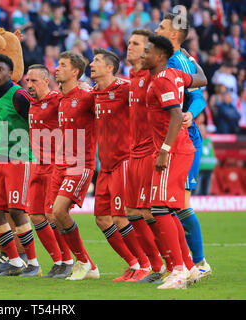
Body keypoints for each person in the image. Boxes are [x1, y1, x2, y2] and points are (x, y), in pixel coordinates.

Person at [141, 34, 207, 289]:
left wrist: (164, 150)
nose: (144, 54)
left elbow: (177, 116)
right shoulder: (175, 76)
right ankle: (189, 268)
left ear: (159, 56)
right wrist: (191, 58)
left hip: (175, 150)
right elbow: (201, 79)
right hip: (177, 149)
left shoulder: (164, 80)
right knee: (169, 209)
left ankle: (178, 271)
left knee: (160, 209)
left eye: (147, 51)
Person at [156, 13, 212, 279]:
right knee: (161, 206)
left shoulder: (179, 61)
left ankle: (198, 263)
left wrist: (191, 114)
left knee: (178, 204)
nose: (156, 30)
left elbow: (198, 95)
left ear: (174, 35)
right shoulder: (158, 60)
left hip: (184, 139)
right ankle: (177, 264)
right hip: (162, 139)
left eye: (161, 27)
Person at [90, 47, 152, 282]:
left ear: (109, 67)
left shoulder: (126, 88)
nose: (91, 64)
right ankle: (133, 263)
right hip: (104, 165)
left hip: (124, 161)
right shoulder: (93, 93)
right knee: (101, 219)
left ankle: (146, 264)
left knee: (121, 217)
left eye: (96, 61)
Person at [0, 53, 40, 277]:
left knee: (16, 211)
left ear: (11, 73)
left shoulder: (20, 95)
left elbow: (36, 122)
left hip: (20, 159)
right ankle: (15, 262)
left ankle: (33, 263)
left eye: (0, 69)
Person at [51, 51, 98, 280]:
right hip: (60, 163)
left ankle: (81, 261)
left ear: (75, 72)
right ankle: (89, 265)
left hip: (80, 163)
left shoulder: (87, 96)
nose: (56, 68)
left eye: (62, 65)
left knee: (59, 211)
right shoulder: (58, 97)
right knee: (54, 216)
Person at [125, 29, 167, 283]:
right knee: (132, 212)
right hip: (134, 153)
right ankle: (156, 265)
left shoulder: (155, 76)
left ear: (148, 50)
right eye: (129, 42)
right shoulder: (132, 76)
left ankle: (174, 264)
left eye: (136, 44)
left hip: (151, 151)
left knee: (151, 212)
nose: (129, 46)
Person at [25, 64, 74, 278]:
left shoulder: (57, 99)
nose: (29, 85)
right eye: (28, 81)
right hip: (38, 165)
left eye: (34, 81)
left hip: (55, 165)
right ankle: (57, 261)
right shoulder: (31, 103)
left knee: (51, 215)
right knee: (35, 215)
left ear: (46, 81)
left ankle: (68, 261)